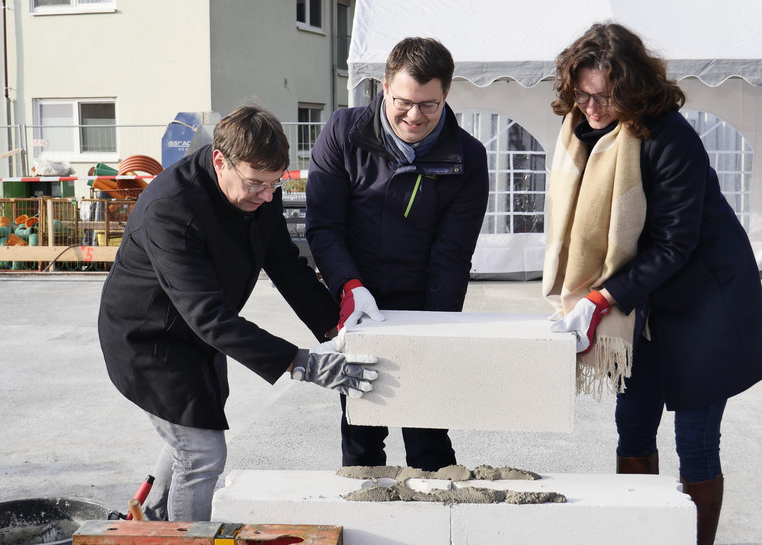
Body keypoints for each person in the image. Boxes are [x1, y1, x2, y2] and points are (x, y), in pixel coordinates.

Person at [98, 105, 378, 522]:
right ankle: (188, 536)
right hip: (148, 340)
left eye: (274, 184)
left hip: (197, 334)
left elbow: (285, 264)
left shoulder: (258, 185)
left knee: (192, 427)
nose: (267, 196)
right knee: (202, 452)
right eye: (256, 185)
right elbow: (209, 315)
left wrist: (335, 330)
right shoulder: (171, 208)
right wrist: (302, 363)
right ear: (219, 161)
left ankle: (154, 516)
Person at [544, 22, 762, 545]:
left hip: (707, 303)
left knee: (695, 442)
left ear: (633, 88)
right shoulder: (583, 132)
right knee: (633, 428)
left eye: (604, 96)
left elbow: (674, 245)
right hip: (645, 307)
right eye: (582, 93)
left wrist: (600, 297)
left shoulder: (670, 138)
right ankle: (640, 536)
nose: (591, 107)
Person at [305, 37, 489, 471]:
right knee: (362, 431)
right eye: (404, 101)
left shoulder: (467, 157)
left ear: (446, 95)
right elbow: (324, 227)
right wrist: (349, 287)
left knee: (428, 433)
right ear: (384, 86)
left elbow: (453, 254)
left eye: (429, 105)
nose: (414, 116)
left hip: (423, 297)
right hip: (358, 299)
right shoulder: (343, 133)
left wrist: (433, 329)